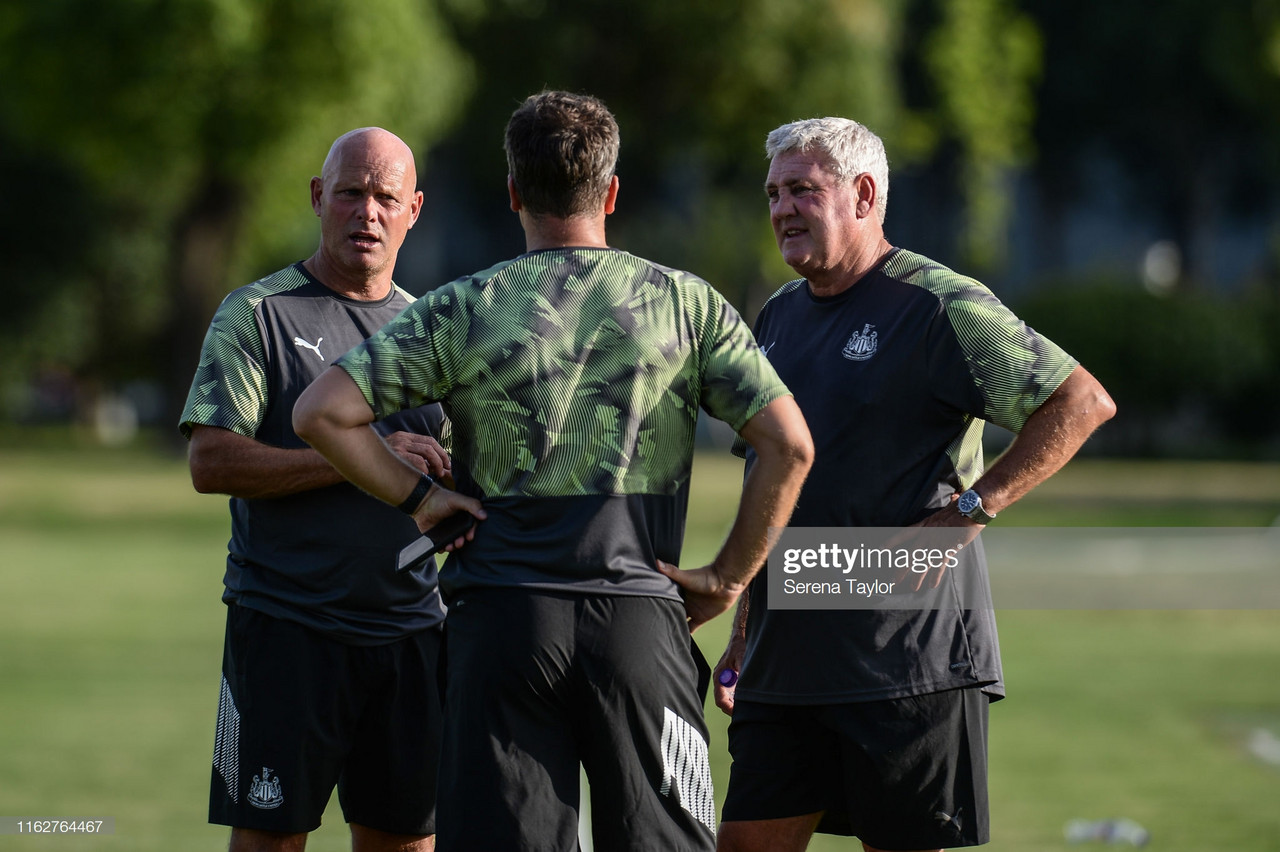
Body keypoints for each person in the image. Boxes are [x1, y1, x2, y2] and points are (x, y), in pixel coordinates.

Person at [292, 91, 815, 852]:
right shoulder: (684, 301)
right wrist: (729, 578)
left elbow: (321, 414)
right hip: (640, 623)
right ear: (609, 193)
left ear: (513, 194)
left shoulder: (463, 306)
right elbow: (790, 446)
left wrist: (422, 498)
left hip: (501, 627)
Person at [712, 118, 1117, 852]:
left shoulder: (937, 304)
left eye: (802, 190)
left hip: (908, 657)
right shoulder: (775, 315)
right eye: (773, 192)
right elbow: (767, 476)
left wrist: (970, 511)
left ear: (863, 195)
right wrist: (746, 622)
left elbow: (1080, 402)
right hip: (788, 652)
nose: (780, 209)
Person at [179, 127, 452, 852]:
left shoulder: (434, 331)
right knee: (269, 840)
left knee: (406, 843)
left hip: (413, 635)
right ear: (317, 197)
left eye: (385, 197)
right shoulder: (258, 314)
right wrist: (357, 456)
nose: (367, 211)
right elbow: (211, 462)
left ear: (414, 210)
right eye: (351, 192)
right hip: (286, 631)